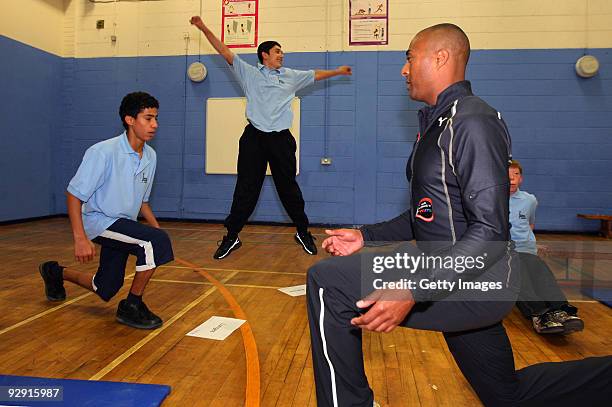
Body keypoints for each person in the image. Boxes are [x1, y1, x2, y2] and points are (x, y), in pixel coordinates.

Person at [307, 24, 612, 407]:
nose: (404, 69)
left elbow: (491, 231)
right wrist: (365, 236)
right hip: (454, 274)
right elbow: (426, 213)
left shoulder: (472, 121)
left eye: (409, 57)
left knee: (327, 281)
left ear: (440, 58)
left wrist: (413, 288)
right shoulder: (437, 125)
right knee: (507, 396)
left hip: (476, 282)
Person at [190, 16, 352, 259]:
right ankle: (232, 236)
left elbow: (315, 74)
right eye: (277, 51)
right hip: (254, 139)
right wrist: (203, 28)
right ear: (264, 55)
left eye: (282, 52)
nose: (281, 55)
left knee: (288, 188)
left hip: (281, 140)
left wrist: (337, 71)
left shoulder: (290, 75)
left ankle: (302, 231)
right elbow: (223, 50)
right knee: (246, 189)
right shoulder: (249, 74)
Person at [38, 92, 173, 330]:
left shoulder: (150, 156)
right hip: (99, 221)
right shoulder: (102, 152)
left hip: (123, 224)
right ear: (130, 120)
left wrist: (155, 226)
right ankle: (132, 305)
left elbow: (142, 201)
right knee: (153, 243)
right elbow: (74, 195)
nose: (155, 125)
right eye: (148, 118)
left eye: (156, 118)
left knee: (106, 287)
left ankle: (54, 272)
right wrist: (80, 238)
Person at [509, 160, 584, 334]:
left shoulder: (530, 200)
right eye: (507, 175)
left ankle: (561, 310)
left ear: (521, 178)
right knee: (519, 275)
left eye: (516, 174)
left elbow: (529, 225)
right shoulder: (490, 200)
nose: (512, 179)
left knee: (542, 273)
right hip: (504, 251)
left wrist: (534, 244)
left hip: (526, 249)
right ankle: (540, 314)